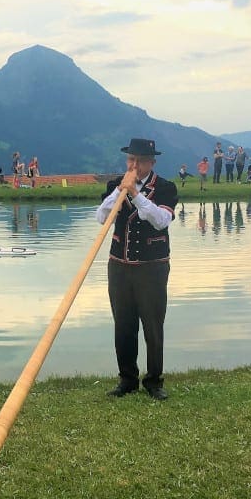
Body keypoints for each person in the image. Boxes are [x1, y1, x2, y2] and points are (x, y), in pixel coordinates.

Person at [95, 138, 178, 401]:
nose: (134, 165)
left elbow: (161, 221)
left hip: (152, 269)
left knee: (153, 325)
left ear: (152, 162)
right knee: (123, 325)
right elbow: (101, 218)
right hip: (119, 267)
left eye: (140, 160)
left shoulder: (166, 188)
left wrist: (135, 195)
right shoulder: (113, 186)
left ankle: (154, 381)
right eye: (131, 159)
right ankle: (127, 380)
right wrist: (118, 192)